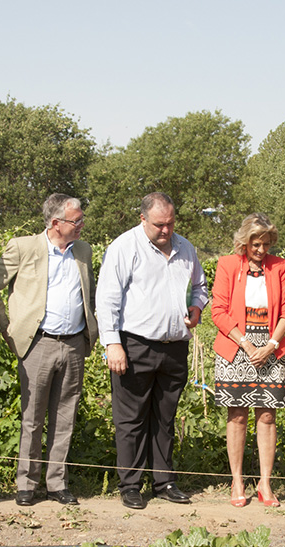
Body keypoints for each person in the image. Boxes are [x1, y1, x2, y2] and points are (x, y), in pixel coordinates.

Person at [95, 192, 209, 510]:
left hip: (174, 347)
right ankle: (130, 485)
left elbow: (200, 287)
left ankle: (165, 481)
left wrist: (197, 308)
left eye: (171, 223)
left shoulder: (186, 248)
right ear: (142, 219)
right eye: (159, 224)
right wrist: (112, 343)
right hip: (135, 345)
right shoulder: (123, 248)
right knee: (130, 419)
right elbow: (107, 299)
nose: (166, 231)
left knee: (165, 417)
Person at [0, 193, 98, 507]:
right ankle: (26, 484)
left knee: (65, 415)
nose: (81, 225)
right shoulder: (24, 247)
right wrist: (7, 328)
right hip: (38, 342)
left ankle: (56, 483)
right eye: (76, 221)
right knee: (32, 417)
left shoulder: (84, 251)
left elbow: (88, 293)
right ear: (55, 223)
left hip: (74, 343)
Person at [211, 214, 285, 507]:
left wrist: (271, 345)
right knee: (237, 414)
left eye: (266, 244)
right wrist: (245, 343)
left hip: (269, 347)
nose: (261, 250)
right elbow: (218, 311)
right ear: (244, 242)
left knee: (268, 415)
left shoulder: (279, 266)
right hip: (237, 346)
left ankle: (265, 483)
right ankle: (236, 480)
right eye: (255, 244)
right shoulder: (228, 265)